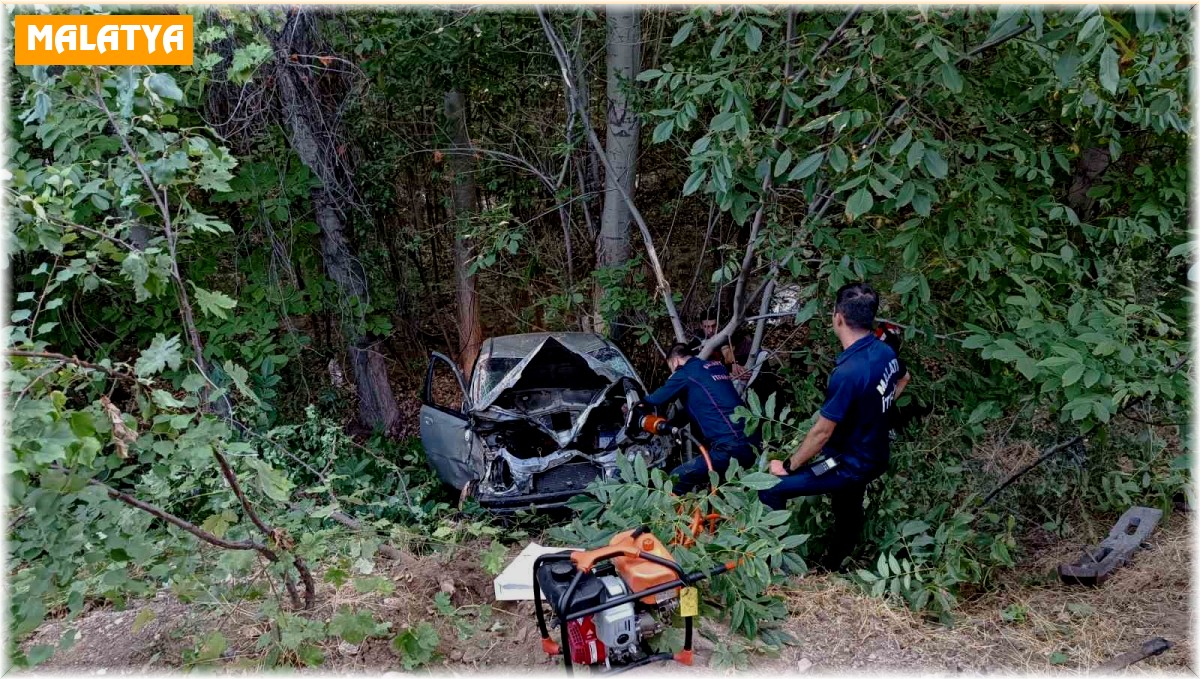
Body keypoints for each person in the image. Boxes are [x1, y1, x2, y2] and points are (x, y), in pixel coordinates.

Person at [758, 282, 907, 572]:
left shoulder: (848, 373)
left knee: (772, 489)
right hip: (875, 455)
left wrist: (787, 465)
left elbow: (821, 433)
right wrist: (875, 412)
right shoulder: (884, 351)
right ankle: (835, 563)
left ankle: (777, 569)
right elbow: (903, 379)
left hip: (850, 463)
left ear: (837, 317)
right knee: (847, 505)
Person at [637, 342, 758, 495]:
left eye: (670, 367)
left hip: (730, 447)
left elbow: (654, 400)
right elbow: (702, 404)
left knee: (675, 479)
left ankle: (678, 510)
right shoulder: (716, 367)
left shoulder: (686, 373)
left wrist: (634, 407)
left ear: (675, 361)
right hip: (752, 440)